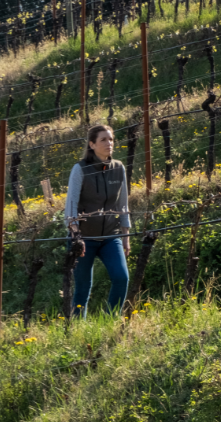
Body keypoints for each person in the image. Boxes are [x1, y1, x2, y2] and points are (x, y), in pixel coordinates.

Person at [65, 124, 131, 318]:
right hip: (84, 238)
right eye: (103, 139)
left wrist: (126, 236)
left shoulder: (119, 168)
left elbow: (123, 205)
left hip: (111, 236)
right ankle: (77, 327)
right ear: (92, 144)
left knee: (121, 278)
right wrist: (76, 235)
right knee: (83, 288)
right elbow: (71, 206)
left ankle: (110, 319)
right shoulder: (80, 169)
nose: (109, 143)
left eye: (111, 139)